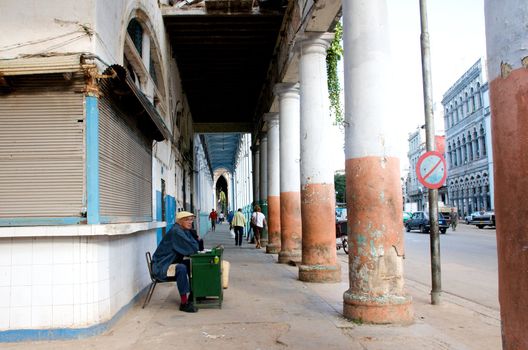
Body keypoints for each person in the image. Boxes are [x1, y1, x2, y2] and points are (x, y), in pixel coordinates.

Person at [151, 211, 202, 313]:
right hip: (162, 266)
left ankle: (194, 294)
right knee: (181, 268)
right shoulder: (176, 232)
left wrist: (194, 237)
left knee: (192, 264)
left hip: (169, 262)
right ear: (180, 221)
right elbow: (193, 248)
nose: (190, 222)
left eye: (191, 219)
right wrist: (196, 241)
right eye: (187, 219)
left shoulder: (183, 230)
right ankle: (184, 303)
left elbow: (196, 245)